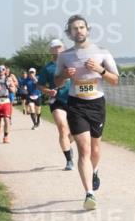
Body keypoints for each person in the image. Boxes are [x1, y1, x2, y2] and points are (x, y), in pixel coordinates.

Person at [55, 15, 119, 210]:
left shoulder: (102, 53)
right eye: (74, 28)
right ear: (69, 33)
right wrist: (65, 75)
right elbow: (57, 82)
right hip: (76, 105)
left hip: (96, 104)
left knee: (95, 150)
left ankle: (95, 170)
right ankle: (89, 194)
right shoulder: (64, 56)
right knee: (84, 150)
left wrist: (100, 70)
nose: (79, 31)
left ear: (88, 30)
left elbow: (115, 80)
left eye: (82, 27)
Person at [38, 39, 75, 170]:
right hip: (57, 101)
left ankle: (67, 145)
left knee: (76, 131)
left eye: (60, 47)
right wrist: (48, 91)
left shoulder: (72, 63)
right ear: (50, 51)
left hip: (74, 100)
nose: (58, 49)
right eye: (55, 47)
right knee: (62, 127)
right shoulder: (47, 68)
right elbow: (39, 85)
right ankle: (69, 160)